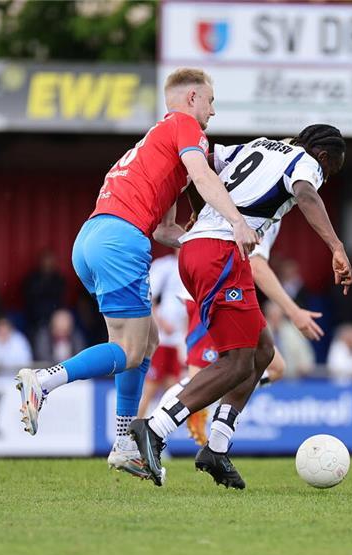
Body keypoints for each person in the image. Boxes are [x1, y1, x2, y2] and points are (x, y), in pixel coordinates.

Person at [16, 67, 256, 488]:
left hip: (93, 238)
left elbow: (165, 229)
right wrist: (236, 221)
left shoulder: (156, 144)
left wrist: (197, 240)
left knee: (144, 344)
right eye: (211, 101)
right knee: (128, 349)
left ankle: (124, 443)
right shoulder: (185, 128)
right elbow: (204, 175)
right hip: (120, 241)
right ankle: (43, 381)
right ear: (192, 98)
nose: (213, 112)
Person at [133, 124, 352, 489]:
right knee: (236, 360)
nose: (323, 178)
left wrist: (200, 213)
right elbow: (305, 194)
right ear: (325, 157)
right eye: (329, 172)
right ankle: (154, 429)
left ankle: (216, 448)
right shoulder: (305, 162)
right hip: (219, 254)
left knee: (262, 351)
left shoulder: (260, 145)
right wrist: (336, 247)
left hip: (202, 251)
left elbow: (198, 163)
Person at [138, 253, 188, 417]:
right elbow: (146, 297)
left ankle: (156, 431)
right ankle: (132, 431)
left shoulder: (193, 268)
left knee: (173, 392)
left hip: (178, 341)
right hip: (162, 340)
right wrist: (161, 322)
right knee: (150, 389)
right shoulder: (166, 267)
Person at [264, 301, 315, 378]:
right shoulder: (260, 332)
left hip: (291, 378)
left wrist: (304, 365)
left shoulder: (293, 330)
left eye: (278, 316)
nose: (275, 319)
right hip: (267, 378)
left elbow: (305, 356)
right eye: (272, 316)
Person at [22, 250, 66, 336]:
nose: (47, 264)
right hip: (35, 320)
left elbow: (60, 299)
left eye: (50, 261)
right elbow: (29, 299)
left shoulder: (59, 279)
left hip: (54, 319)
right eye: (45, 261)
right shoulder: (33, 279)